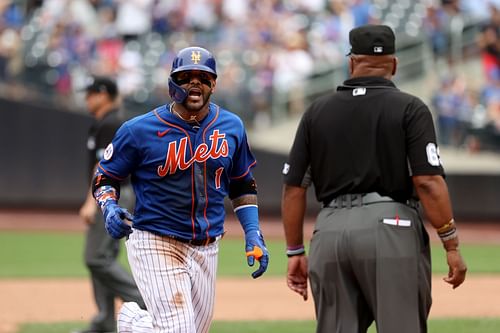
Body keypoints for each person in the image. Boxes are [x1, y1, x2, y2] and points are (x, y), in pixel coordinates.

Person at [281, 24, 467, 333]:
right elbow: (427, 182)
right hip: (391, 226)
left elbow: (293, 189)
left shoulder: (317, 111)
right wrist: (451, 244)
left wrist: (295, 251)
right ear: (394, 64)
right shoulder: (411, 108)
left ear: (351, 61)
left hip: (329, 231)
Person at [91, 46, 269, 333]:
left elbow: (242, 182)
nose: (194, 83)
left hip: (207, 245)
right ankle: (132, 321)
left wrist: (253, 233)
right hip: (155, 238)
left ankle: (133, 322)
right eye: (186, 77)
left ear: (214, 84)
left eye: (203, 77)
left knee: (195, 329)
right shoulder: (139, 129)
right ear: (172, 83)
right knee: (179, 329)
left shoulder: (231, 126)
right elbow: (105, 176)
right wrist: (108, 206)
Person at [77, 76, 145, 333]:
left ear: (103, 94)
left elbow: (102, 167)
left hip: (115, 194)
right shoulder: (103, 123)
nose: (87, 98)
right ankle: (105, 319)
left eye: (91, 93)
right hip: (115, 194)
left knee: (96, 258)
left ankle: (144, 301)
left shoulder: (112, 122)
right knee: (103, 257)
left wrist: (90, 202)